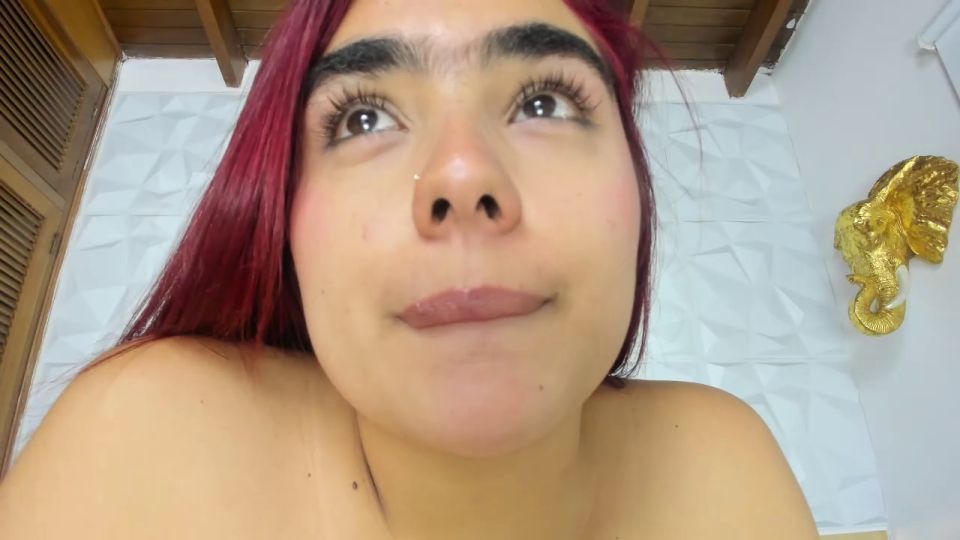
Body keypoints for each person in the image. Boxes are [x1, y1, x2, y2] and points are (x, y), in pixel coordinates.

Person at [0, 0, 819, 537]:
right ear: (281, 216)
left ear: (637, 186)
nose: (463, 176)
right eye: (362, 118)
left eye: (544, 103)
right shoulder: (141, 443)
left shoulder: (728, 472)